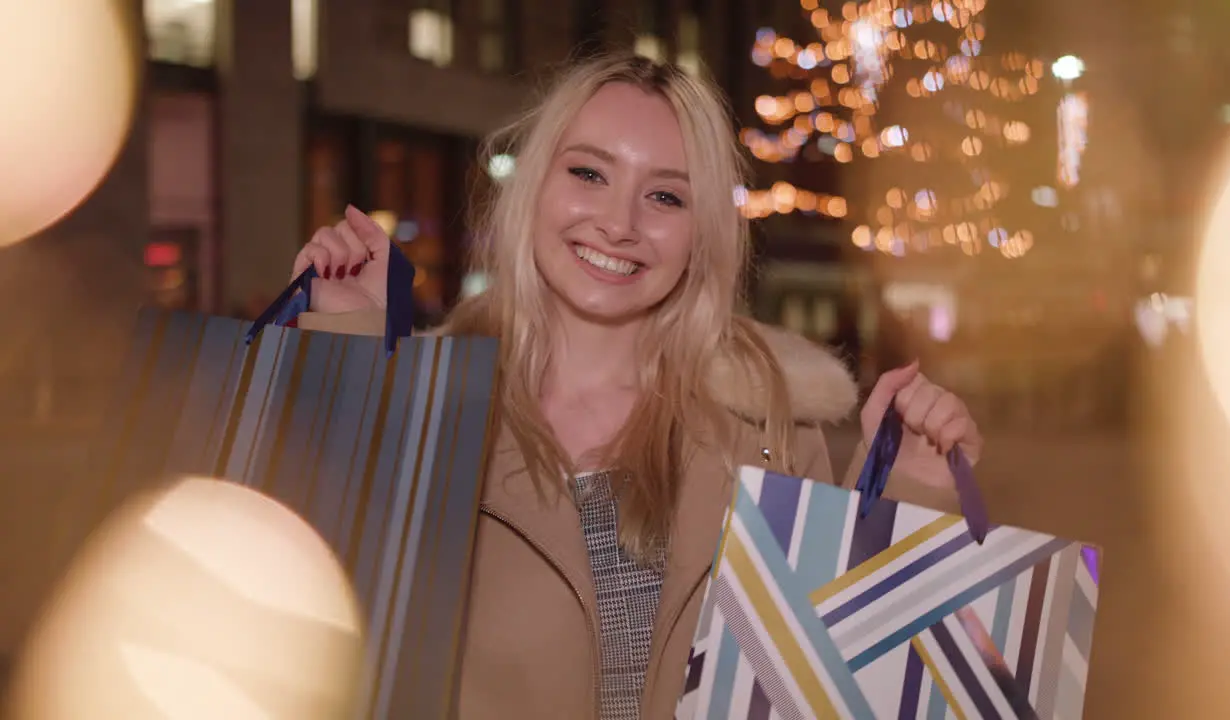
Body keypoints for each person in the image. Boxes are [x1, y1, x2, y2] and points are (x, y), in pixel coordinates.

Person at [291, 54, 983, 720]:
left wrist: (914, 488)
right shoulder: (426, 407)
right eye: (589, 173)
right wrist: (350, 351)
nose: (619, 224)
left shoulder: (771, 426)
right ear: (535, 184)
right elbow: (306, 624)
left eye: (664, 195)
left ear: (700, 232)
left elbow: (837, 681)